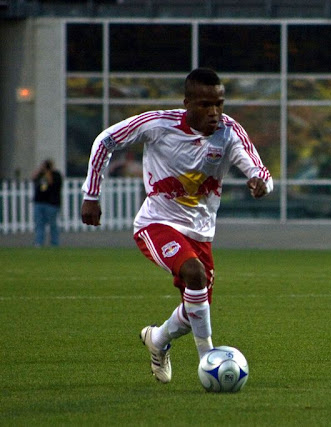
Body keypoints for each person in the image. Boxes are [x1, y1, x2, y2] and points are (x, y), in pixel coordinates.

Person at [80, 68, 273, 384]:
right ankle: (208, 359)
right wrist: (91, 194)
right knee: (194, 274)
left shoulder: (229, 132)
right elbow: (106, 141)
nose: (214, 112)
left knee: (194, 307)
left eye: (219, 104)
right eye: (205, 105)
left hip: (201, 233)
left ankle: (157, 340)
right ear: (187, 104)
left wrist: (260, 183)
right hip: (156, 224)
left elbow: (259, 170)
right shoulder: (158, 125)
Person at [31, 159, 63, 247]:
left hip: (51, 204)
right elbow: (33, 179)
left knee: (53, 224)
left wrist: (48, 172)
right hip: (39, 202)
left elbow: (51, 183)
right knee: (39, 224)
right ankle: (39, 242)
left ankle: (54, 243)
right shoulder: (40, 175)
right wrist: (39, 171)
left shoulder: (56, 175)